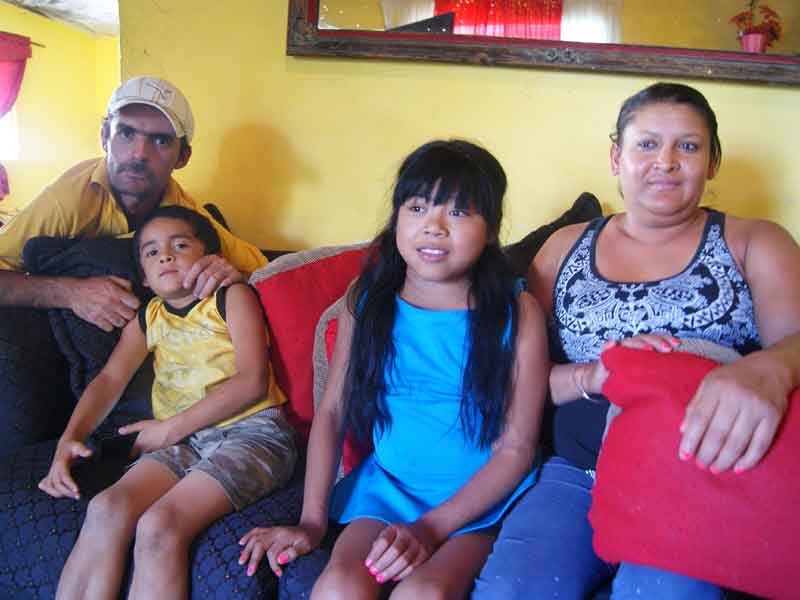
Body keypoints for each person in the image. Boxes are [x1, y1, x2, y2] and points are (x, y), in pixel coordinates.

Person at [472, 82, 800, 599]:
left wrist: (769, 368)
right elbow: (511, 379)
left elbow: (796, 342)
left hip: (699, 479)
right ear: (615, 157)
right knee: (513, 589)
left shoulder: (754, 241)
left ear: (712, 162)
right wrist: (591, 376)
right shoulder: (563, 248)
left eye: (688, 146)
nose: (665, 162)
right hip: (575, 475)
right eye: (647, 144)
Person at [238, 140, 549, 598]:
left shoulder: (516, 312)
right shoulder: (367, 302)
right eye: (418, 208)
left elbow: (517, 448)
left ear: (491, 229)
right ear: (397, 218)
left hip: (477, 505)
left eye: (458, 212)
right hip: (389, 491)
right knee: (338, 587)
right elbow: (332, 412)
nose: (434, 227)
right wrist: (312, 521)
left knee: (423, 593)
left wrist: (431, 528)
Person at [38, 206, 296, 599]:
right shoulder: (149, 317)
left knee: (159, 524)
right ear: (144, 275)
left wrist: (168, 431)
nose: (166, 257)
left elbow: (252, 381)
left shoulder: (231, 296)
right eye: (152, 252)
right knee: (107, 507)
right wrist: (69, 438)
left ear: (210, 258)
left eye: (180, 245)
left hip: (252, 434)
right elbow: (109, 380)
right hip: (184, 442)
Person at [0, 76, 267, 332]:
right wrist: (70, 293)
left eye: (161, 140)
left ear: (183, 157)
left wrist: (231, 275)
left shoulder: (183, 213)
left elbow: (263, 271)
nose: (139, 154)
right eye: (126, 133)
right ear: (105, 137)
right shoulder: (66, 200)